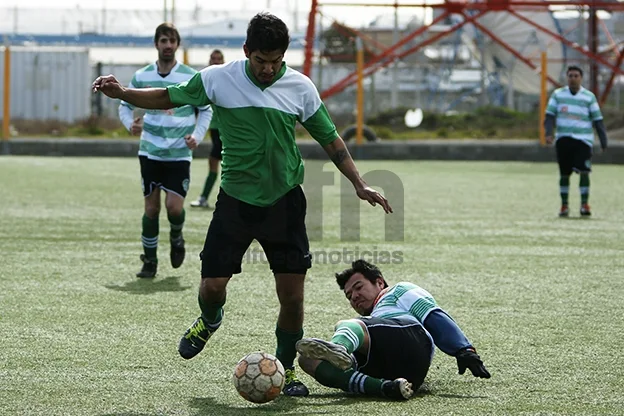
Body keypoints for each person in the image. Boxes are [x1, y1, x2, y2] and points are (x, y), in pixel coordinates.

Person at [93, 12, 392, 397]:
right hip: (235, 201)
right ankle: (209, 319)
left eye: (276, 61)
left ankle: (286, 369)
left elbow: (331, 140)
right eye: (261, 60)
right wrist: (124, 95)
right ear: (246, 50)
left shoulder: (300, 87)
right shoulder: (218, 78)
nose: (268, 69)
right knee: (212, 286)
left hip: (284, 203)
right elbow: (168, 96)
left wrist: (359, 183)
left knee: (293, 296)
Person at [296, 259, 491, 400]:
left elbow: (432, 314)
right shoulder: (370, 321)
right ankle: (385, 388)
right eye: (349, 296)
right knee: (306, 360)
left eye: (358, 287)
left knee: (346, 325)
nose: (354, 296)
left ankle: (338, 348)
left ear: (379, 282)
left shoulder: (398, 291)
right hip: (396, 370)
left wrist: (463, 348)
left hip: (411, 342)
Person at [118, 23, 212, 278]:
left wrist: (197, 135)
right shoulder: (142, 76)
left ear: (177, 45)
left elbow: (205, 109)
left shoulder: (190, 77)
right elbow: (124, 103)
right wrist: (130, 124)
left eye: (172, 41)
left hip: (179, 153)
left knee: (173, 208)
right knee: (151, 208)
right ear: (156, 44)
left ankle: (176, 236)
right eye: (163, 40)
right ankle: (149, 261)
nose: (168, 45)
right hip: (150, 151)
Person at [545, 65, 608, 218]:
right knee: (564, 174)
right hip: (563, 139)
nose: (573, 79)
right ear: (567, 78)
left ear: (581, 78)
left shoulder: (589, 97)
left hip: (583, 141)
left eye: (576, 76)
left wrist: (603, 139)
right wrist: (548, 133)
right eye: (570, 76)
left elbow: (597, 120)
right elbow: (549, 116)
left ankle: (584, 204)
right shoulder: (558, 95)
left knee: (584, 172)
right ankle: (564, 205)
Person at [190, 49, 225, 209]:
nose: (216, 61)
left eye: (219, 59)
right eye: (213, 58)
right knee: (217, 162)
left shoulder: (227, 79)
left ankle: (206, 197)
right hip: (214, 127)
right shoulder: (206, 79)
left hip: (226, 128)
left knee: (216, 161)